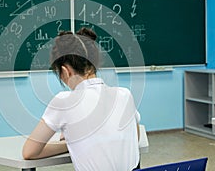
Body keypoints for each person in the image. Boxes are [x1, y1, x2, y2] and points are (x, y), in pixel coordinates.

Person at [22, 27, 140, 171]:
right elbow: (135, 137)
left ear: (66, 71)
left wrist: (71, 141)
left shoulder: (64, 101)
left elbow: (29, 152)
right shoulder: (124, 95)